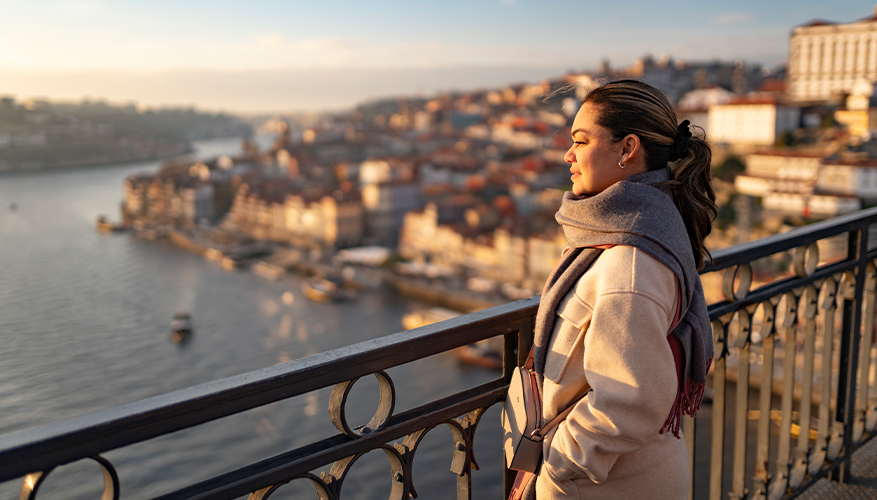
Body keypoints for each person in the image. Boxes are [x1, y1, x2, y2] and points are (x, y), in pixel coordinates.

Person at [525, 80, 715, 500]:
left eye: (581, 140)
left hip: (607, 485)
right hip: (637, 472)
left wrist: (561, 467)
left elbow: (633, 396)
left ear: (627, 149)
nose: (568, 155)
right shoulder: (651, 226)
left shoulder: (628, 261)